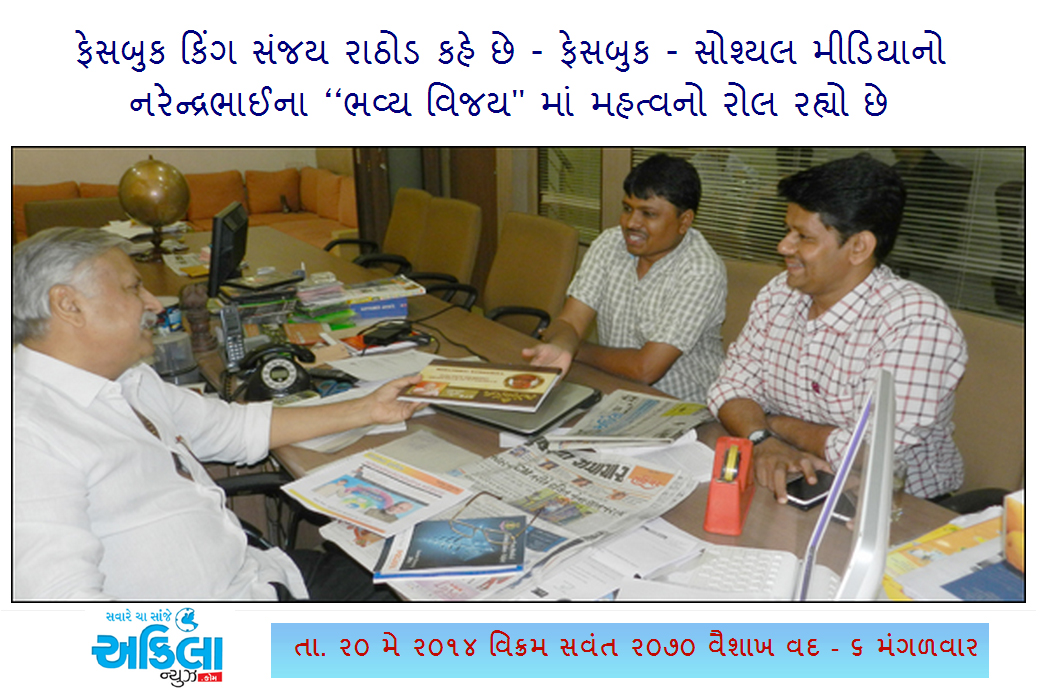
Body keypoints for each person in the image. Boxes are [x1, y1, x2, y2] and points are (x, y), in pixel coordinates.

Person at [14, 227, 427, 601]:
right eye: (133, 288)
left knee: (422, 579)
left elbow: (233, 428)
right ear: (68, 304)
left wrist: (368, 408)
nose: (153, 304)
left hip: (258, 575)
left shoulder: (128, 379)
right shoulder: (26, 437)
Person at [706, 155, 967, 503]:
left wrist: (776, 424)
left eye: (803, 237)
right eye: (788, 230)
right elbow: (729, 388)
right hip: (794, 477)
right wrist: (762, 440)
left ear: (859, 247)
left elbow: (874, 453)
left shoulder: (914, 322)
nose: (784, 247)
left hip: (895, 506)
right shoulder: (780, 293)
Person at [523, 153, 726, 403]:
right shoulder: (610, 243)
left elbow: (646, 369)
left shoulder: (701, 270)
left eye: (648, 214)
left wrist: (576, 349)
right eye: (628, 209)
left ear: (684, 221)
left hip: (682, 405)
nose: (631, 223)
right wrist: (562, 346)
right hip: (615, 389)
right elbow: (571, 321)